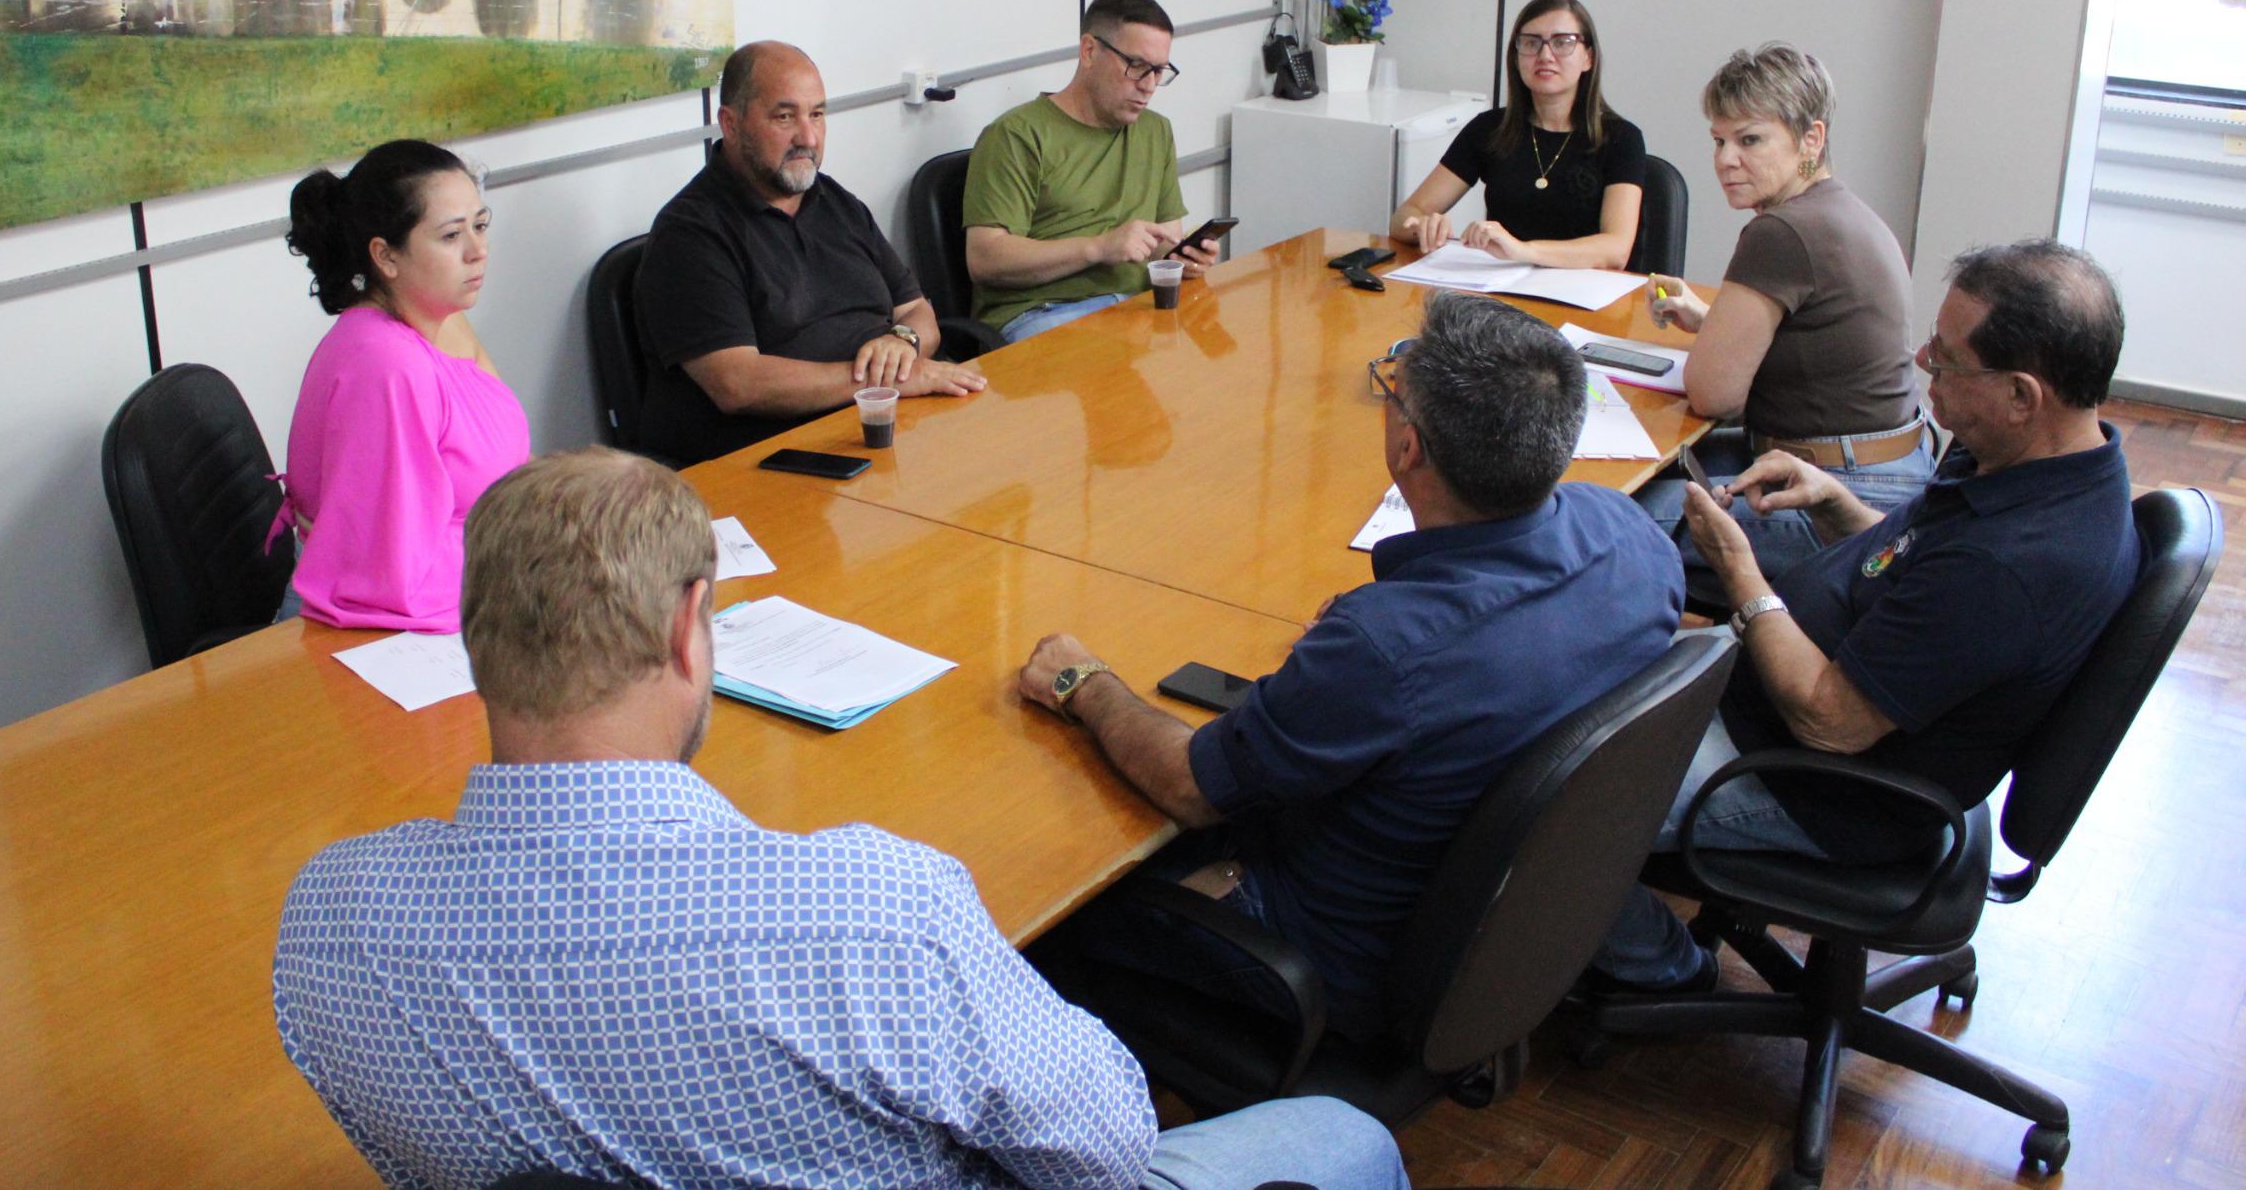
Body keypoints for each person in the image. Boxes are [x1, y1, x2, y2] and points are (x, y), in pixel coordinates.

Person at [274, 447, 1409, 1190]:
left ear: (473, 642)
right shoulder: (872, 911)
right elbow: (1106, 1152)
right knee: (1349, 1140)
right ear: (687, 633)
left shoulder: (324, 925)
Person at [1016, 293, 1682, 1035]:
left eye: (1394, 392)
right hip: (1509, 920)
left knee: (1043, 894)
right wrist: (1381, 635)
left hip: (1340, 954)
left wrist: (1083, 684)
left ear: (1409, 449)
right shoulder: (1631, 532)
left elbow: (1189, 787)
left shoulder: (1380, 651)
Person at [1590, 241, 2141, 992]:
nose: (1921, 362)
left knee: (1534, 808)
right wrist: (1838, 505)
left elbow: (1830, 721)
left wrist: (1740, 574)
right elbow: (1916, 577)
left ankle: (1666, 965)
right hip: (1773, 704)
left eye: (1946, 361)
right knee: (1559, 701)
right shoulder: (2035, 463)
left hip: (1815, 786)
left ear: (2022, 395)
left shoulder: (2013, 566)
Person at [1635, 43, 1931, 575]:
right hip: (1891, 464)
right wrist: (1710, 321)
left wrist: (1713, 342)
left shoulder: (1780, 232)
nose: (1726, 159)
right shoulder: (1840, 210)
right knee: (1651, 470)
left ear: (1810, 139)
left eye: (1750, 139)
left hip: (1850, 490)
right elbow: (1812, 346)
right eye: (1719, 140)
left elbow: (1713, 393)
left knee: (1613, 519)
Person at [637, 40, 986, 464]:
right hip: (783, 455)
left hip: (887, 425)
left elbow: (918, 312)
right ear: (730, 124)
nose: (808, 136)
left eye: (817, 114)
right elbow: (738, 384)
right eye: (785, 117)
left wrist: (904, 343)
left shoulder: (836, 201)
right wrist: (883, 382)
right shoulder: (690, 234)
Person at [276, 139, 530, 632]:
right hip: (381, 637)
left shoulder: (432, 323)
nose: (479, 252)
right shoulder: (388, 365)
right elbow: (392, 577)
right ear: (386, 257)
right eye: (452, 236)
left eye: (480, 226)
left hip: (456, 601)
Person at [964, 0, 1223, 341]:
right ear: (1089, 51)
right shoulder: (1017, 135)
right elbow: (985, 259)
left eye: (1159, 71)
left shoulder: (1155, 130)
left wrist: (1185, 257)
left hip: (1137, 307)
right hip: (1045, 311)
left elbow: (1164, 241)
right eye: (1137, 66)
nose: (1148, 86)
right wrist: (1100, 247)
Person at [1390, 0, 1647, 268]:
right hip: (1500, 292)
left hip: (1584, 300)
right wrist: (1423, 226)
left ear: (1588, 58)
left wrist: (1524, 251)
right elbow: (1403, 217)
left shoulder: (1621, 138)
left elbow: (1616, 250)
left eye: (1562, 43)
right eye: (1531, 43)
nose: (1545, 55)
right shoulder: (1489, 129)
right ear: (1515, 56)